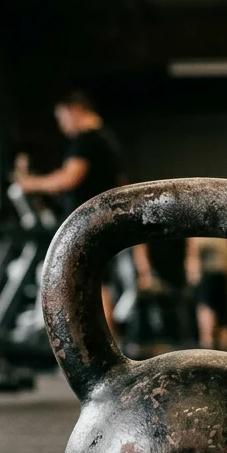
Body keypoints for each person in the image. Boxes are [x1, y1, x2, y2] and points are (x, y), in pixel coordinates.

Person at [13, 90, 152, 328]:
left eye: (62, 118)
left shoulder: (88, 140)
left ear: (74, 110)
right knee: (96, 283)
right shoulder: (105, 140)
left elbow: (70, 178)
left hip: (89, 225)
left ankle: (101, 347)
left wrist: (29, 183)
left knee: (93, 285)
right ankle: (102, 347)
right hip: (99, 223)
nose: (62, 126)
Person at [185, 237, 227, 350]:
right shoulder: (221, 238)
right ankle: (211, 345)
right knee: (214, 315)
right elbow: (193, 256)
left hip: (216, 277)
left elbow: (192, 256)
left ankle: (213, 346)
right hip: (212, 276)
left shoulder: (201, 238)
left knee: (215, 315)